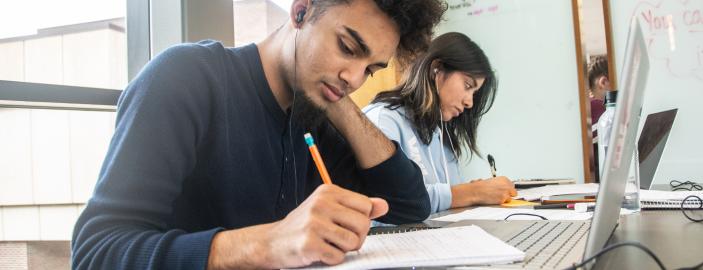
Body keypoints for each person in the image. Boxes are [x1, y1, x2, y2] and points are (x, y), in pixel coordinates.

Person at [71, 0, 446, 269]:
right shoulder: (186, 78)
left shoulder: (311, 116)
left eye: (370, 69)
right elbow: (96, 253)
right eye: (348, 47)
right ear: (301, 12)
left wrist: (337, 100)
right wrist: (268, 244)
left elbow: (409, 206)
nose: (354, 77)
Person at [363, 32, 517, 214]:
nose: (470, 103)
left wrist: (473, 192)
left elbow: (448, 200)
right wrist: (472, 193)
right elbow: (389, 203)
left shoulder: (441, 134)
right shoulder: (382, 121)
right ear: (436, 69)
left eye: (474, 93)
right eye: (468, 85)